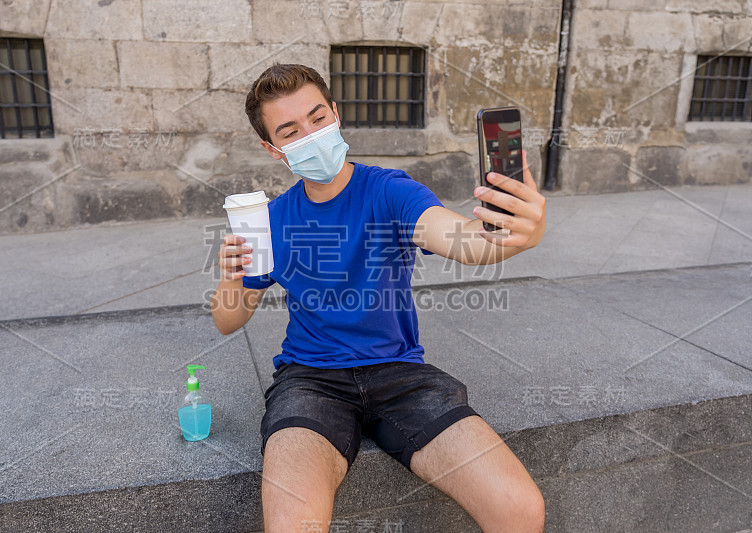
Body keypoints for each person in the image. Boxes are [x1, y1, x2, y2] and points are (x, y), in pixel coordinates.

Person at [210, 63, 546, 533]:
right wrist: (231, 277)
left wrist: (515, 234)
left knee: (519, 507)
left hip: (401, 373)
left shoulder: (389, 191)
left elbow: (462, 239)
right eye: (290, 131)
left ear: (336, 113)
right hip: (310, 380)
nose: (310, 134)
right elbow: (228, 320)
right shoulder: (270, 221)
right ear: (273, 149)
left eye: (317, 118)